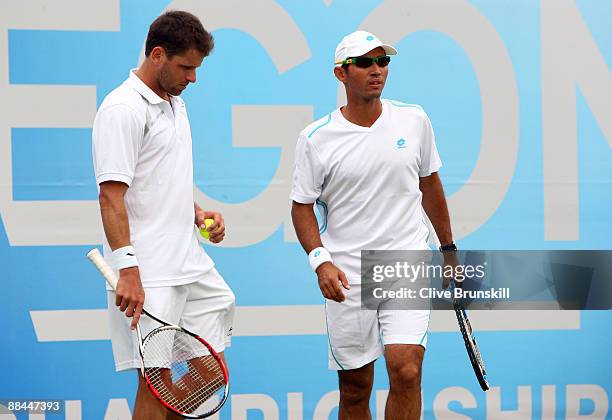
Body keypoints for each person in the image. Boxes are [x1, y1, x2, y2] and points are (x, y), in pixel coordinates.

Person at [291, 30, 456, 420]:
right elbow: (302, 208)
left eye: (383, 62)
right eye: (364, 63)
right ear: (340, 74)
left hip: (405, 262)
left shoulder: (414, 120)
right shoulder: (316, 138)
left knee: (407, 369)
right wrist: (321, 261)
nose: (376, 70)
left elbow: (430, 184)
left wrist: (448, 249)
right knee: (355, 389)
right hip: (347, 274)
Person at [92, 11, 235, 420]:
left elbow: (156, 179)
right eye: (186, 67)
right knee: (155, 385)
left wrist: (196, 213)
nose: (193, 78)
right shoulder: (122, 109)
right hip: (149, 272)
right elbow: (111, 197)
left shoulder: (175, 102)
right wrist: (128, 271)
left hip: (189, 264)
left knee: (210, 372)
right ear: (157, 55)